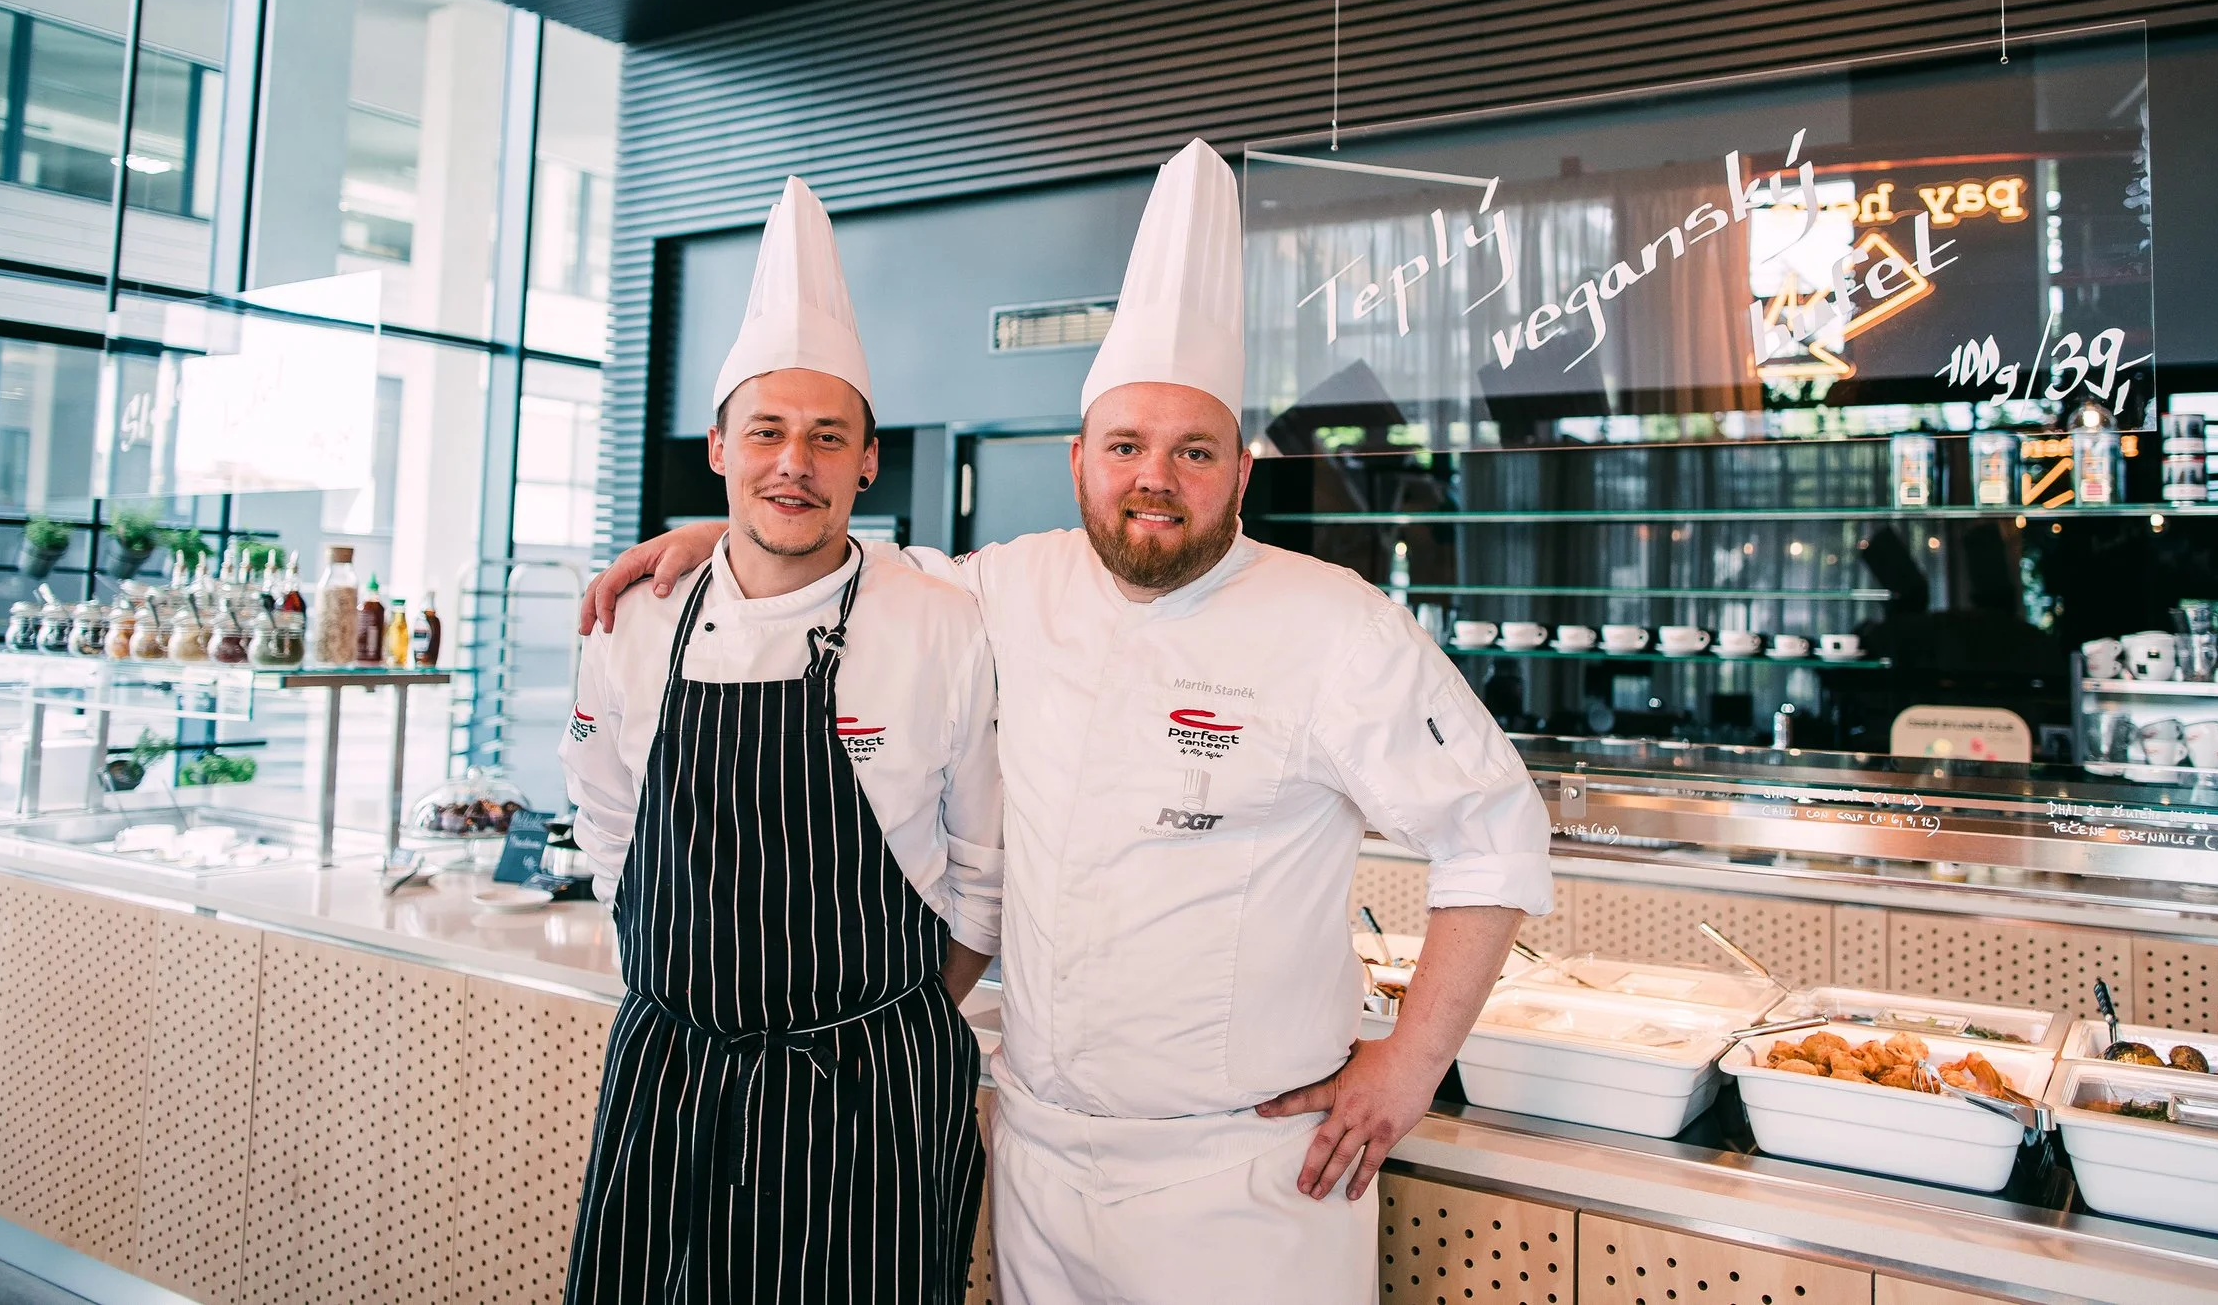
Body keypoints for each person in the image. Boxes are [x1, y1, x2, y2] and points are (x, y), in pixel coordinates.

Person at [583, 141, 1552, 1304]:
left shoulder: (1333, 623)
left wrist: (1409, 1061)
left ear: (1237, 470)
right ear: (1077, 458)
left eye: (1193, 451)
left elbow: (1493, 831)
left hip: (1246, 1173)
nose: (1156, 478)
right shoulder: (1000, 586)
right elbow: (817, 559)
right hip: (1037, 1152)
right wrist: (709, 537)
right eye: (1126, 446)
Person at [559, 177, 1001, 1305]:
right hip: (672, 1072)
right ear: (717, 446)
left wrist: (887, 1022)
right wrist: (678, 987)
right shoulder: (635, 619)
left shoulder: (942, 618)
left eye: (825, 436)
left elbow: (984, 872)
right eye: (766, 431)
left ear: (867, 461)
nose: (792, 460)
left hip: (872, 1086)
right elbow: (610, 820)